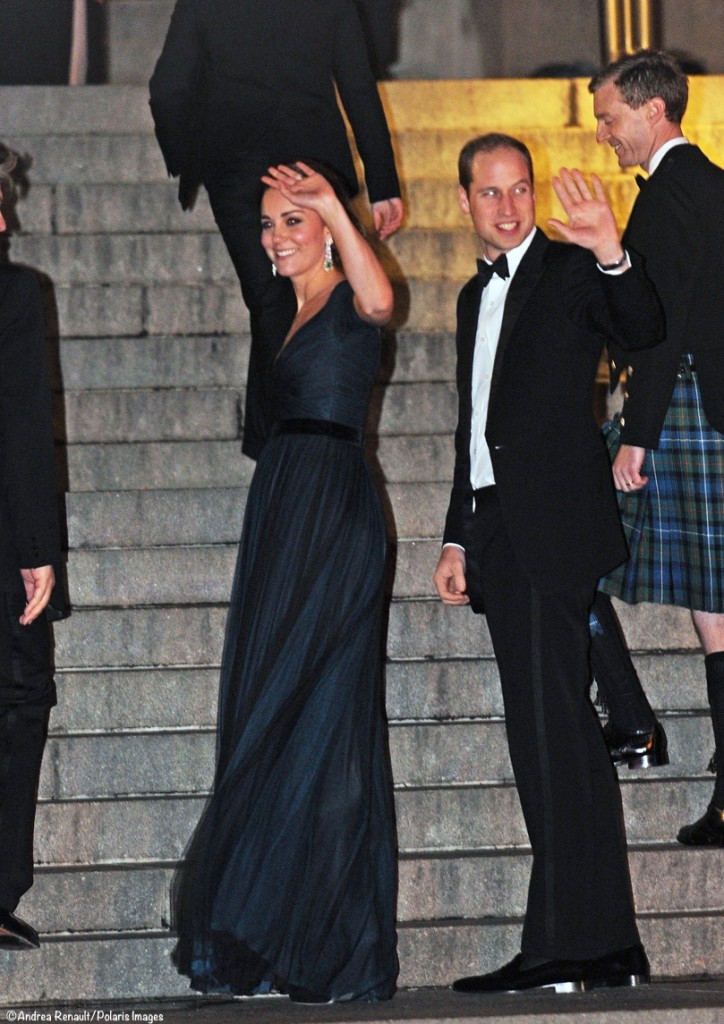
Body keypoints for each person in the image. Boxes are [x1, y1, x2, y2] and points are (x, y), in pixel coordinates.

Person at [433, 133, 664, 994]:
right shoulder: (470, 297)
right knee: (557, 737)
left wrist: (610, 251)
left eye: (520, 189)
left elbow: (642, 324)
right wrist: (457, 534)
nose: (508, 205)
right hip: (500, 536)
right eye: (490, 192)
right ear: (464, 201)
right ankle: (603, 943)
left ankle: (567, 942)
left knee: (550, 738)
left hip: (555, 534)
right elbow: (473, 429)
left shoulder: (570, 273)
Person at [171, 160, 398, 1003]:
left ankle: (338, 948)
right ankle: (270, 933)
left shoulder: (350, 296)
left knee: (328, 727)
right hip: (282, 513)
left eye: (291, 221)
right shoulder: (287, 312)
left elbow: (381, 302)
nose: (276, 236)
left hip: (334, 517)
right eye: (269, 224)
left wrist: (336, 209)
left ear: (327, 229)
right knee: (272, 719)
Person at [149, 0, 403, 461]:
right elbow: (358, 86)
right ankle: (295, 440)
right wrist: (383, 182)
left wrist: (187, 155)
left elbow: (167, 88)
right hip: (313, 162)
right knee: (318, 294)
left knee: (270, 300)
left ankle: (276, 446)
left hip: (237, 166)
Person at [588, 50, 724, 847]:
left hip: (685, 416)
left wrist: (636, 437)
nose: (605, 134)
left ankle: (635, 721)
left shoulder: (671, 194)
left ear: (651, 111)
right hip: (703, 413)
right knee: (716, 608)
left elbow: (664, 329)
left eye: (609, 117)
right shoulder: (712, 184)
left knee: (557, 534)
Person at [0, 148, 63, 950]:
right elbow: (20, 427)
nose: (7, 222)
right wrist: (38, 547)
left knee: (20, 705)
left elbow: (22, 426)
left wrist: (38, 544)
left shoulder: (15, 292)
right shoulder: (13, 294)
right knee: (17, 703)